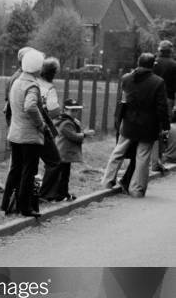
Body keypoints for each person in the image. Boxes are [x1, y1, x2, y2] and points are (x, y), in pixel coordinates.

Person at [101, 53, 170, 197]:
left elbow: (123, 101)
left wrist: (119, 120)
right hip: (148, 125)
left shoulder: (126, 78)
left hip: (128, 122)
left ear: (138, 62)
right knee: (142, 157)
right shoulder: (158, 82)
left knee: (118, 152)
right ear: (153, 65)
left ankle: (107, 182)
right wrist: (165, 125)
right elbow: (162, 107)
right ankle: (136, 189)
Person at [0, 48, 46, 217]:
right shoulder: (32, 85)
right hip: (29, 136)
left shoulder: (17, 81)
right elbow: (30, 106)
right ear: (38, 68)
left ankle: (6, 204)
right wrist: (40, 124)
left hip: (15, 132)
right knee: (29, 171)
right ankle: (25, 207)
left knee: (15, 168)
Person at [37, 57, 64, 201]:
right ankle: (46, 193)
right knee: (54, 161)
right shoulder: (49, 88)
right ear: (54, 73)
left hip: (27, 127)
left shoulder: (34, 82)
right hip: (43, 128)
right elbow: (54, 111)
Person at [50, 99, 89, 201]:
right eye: (72, 110)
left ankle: (64, 194)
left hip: (65, 152)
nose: (75, 113)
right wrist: (85, 134)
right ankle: (60, 195)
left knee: (65, 176)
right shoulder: (66, 123)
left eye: (76, 110)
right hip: (63, 152)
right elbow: (73, 136)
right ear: (65, 110)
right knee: (63, 176)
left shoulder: (68, 121)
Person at [152, 40, 176, 172]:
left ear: (160, 50)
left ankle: (152, 159)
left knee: (151, 127)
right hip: (167, 99)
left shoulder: (152, 62)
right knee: (163, 129)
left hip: (151, 98)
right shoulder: (174, 65)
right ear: (170, 51)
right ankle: (158, 158)